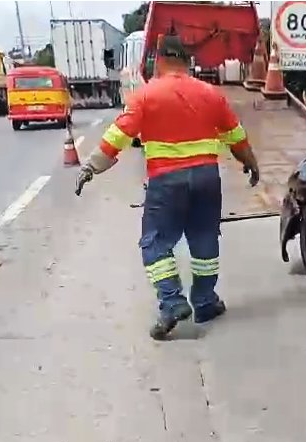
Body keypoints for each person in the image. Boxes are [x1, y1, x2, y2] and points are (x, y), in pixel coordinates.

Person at [74, 34, 261, 340]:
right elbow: (235, 136)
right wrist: (251, 163)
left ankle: (172, 301)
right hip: (206, 178)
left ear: (158, 61)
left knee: (155, 243)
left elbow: (117, 137)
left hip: (167, 181)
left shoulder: (147, 95)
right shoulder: (210, 94)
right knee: (204, 240)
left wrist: (90, 168)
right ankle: (204, 303)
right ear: (187, 62)